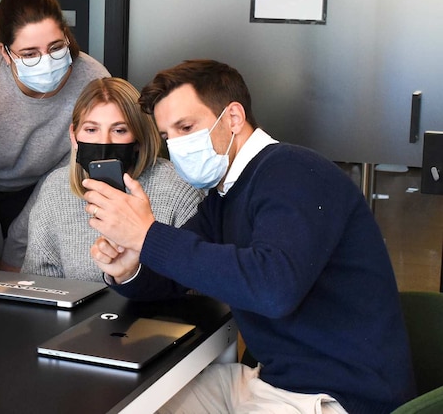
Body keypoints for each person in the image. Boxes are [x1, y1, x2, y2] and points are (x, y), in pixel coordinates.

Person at [83, 60, 416, 413]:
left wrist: (147, 235)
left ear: (233, 118)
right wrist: (129, 267)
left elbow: (272, 288)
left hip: (336, 395)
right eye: (168, 136)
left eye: (186, 127)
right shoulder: (225, 195)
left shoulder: (294, 172)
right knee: (132, 405)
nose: (177, 146)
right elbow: (171, 276)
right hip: (269, 382)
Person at [0, 0, 110, 269]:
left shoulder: (92, 81)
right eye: (29, 54)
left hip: (47, 189)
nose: (46, 61)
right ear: (5, 53)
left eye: (56, 47)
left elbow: (68, 170)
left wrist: (17, 249)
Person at [19, 77, 202, 281]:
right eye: (91, 129)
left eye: (119, 130)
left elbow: (197, 287)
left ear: (138, 138)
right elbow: (38, 280)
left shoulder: (178, 187)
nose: (104, 142)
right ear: (74, 135)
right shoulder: (56, 187)